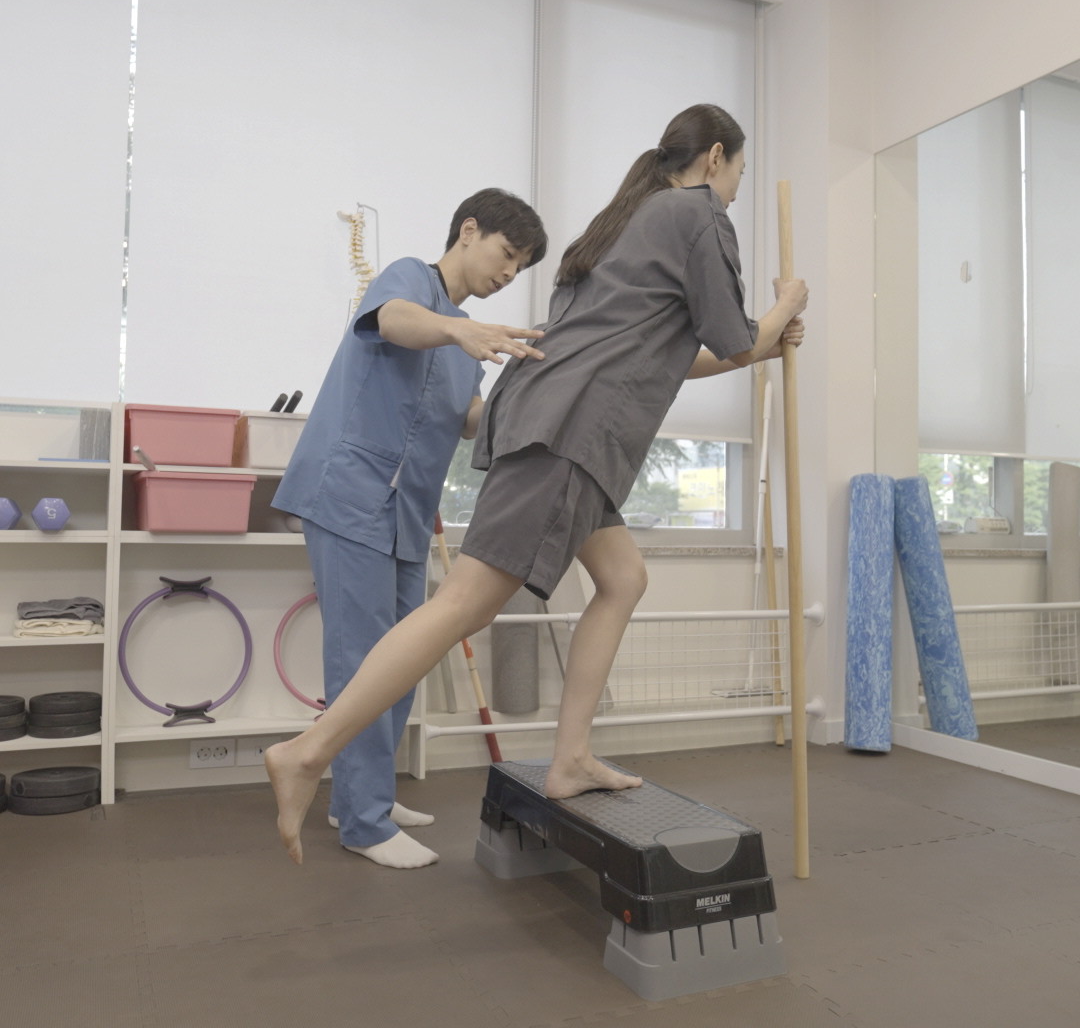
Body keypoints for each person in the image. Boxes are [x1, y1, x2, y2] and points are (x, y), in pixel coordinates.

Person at [267, 104, 808, 865]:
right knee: (463, 605)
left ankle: (570, 757)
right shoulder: (695, 214)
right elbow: (731, 335)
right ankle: (309, 754)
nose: (736, 190)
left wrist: (765, 344)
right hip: (563, 437)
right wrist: (784, 309)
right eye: (739, 174)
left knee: (623, 577)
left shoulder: (621, 225)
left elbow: (664, 357)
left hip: (560, 432)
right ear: (715, 158)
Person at [271, 188, 548, 868]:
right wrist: (458, 331)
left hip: (404, 514)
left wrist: (533, 401)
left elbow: (473, 421)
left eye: (520, 267)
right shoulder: (410, 282)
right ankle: (363, 822)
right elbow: (393, 321)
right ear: (468, 230)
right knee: (361, 658)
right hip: (350, 494)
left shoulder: (466, 337)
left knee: (402, 662)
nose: (509, 272)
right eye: (507, 254)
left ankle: (359, 796)